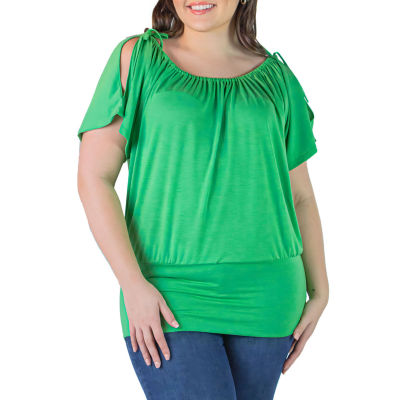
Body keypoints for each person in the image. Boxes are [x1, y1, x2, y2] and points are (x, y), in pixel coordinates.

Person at [77, 0, 329, 399]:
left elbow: (299, 197)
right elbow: (95, 177)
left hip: (268, 295)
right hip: (167, 292)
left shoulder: (277, 79)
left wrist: (321, 290)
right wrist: (132, 284)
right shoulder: (138, 60)